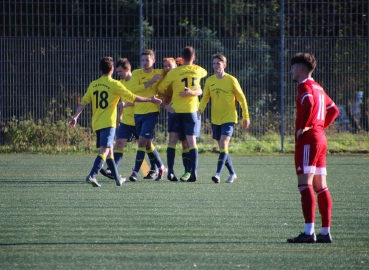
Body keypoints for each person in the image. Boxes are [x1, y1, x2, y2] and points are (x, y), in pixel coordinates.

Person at [69, 56, 162, 187]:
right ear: (112, 69)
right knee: (104, 151)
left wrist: (75, 116)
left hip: (96, 123)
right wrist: (150, 99)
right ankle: (92, 175)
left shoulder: (93, 84)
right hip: (108, 123)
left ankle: (118, 178)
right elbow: (132, 97)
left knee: (110, 151)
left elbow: (83, 102)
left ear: (100, 69)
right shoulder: (115, 84)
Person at [287, 53, 339, 243]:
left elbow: (308, 102)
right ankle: (325, 232)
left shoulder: (305, 86)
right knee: (321, 187)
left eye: (293, 68)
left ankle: (309, 232)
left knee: (304, 184)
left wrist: (305, 127)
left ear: (300, 70)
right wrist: (320, 127)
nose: (290, 71)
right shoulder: (318, 86)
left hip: (309, 141)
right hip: (320, 139)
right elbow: (334, 110)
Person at [198, 54, 250, 184]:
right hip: (215, 119)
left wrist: (246, 116)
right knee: (222, 148)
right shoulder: (210, 81)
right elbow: (205, 97)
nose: (215, 66)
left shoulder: (231, 80)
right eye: (214, 63)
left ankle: (217, 174)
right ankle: (232, 173)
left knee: (224, 144)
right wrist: (199, 110)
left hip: (229, 118)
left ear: (224, 65)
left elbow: (241, 98)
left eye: (218, 63)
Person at [159, 46, 207, 182]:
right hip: (191, 110)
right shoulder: (198, 70)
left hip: (175, 110)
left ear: (181, 57)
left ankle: (171, 172)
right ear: (194, 58)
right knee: (192, 142)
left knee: (172, 141)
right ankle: (194, 171)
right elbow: (205, 72)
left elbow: (161, 87)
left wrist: (167, 104)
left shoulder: (174, 72)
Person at [128, 49, 167, 182]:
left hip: (152, 112)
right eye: (143, 60)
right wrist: (151, 81)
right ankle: (161, 166)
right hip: (138, 112)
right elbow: (134, 90)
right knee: (148, 144)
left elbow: (170, 72)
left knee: (142, 142)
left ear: (153, 61)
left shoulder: (159, 72)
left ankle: (135, 172)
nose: (145, 63)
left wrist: (178, 64)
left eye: (147, 60)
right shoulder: (136, 73)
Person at [99, 58, 140, 180]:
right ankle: (113, 169)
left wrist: (127, 105)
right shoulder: (120, 83)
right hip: (126, 121)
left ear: (128, 69)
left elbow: (137, 100)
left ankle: (158, 167)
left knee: (147, 145)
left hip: (138, 119)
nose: (118, 74)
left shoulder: (136, 80)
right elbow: (122, 102)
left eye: (120, 71)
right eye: (117, 71)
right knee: (119, 143)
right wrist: (120, 115)